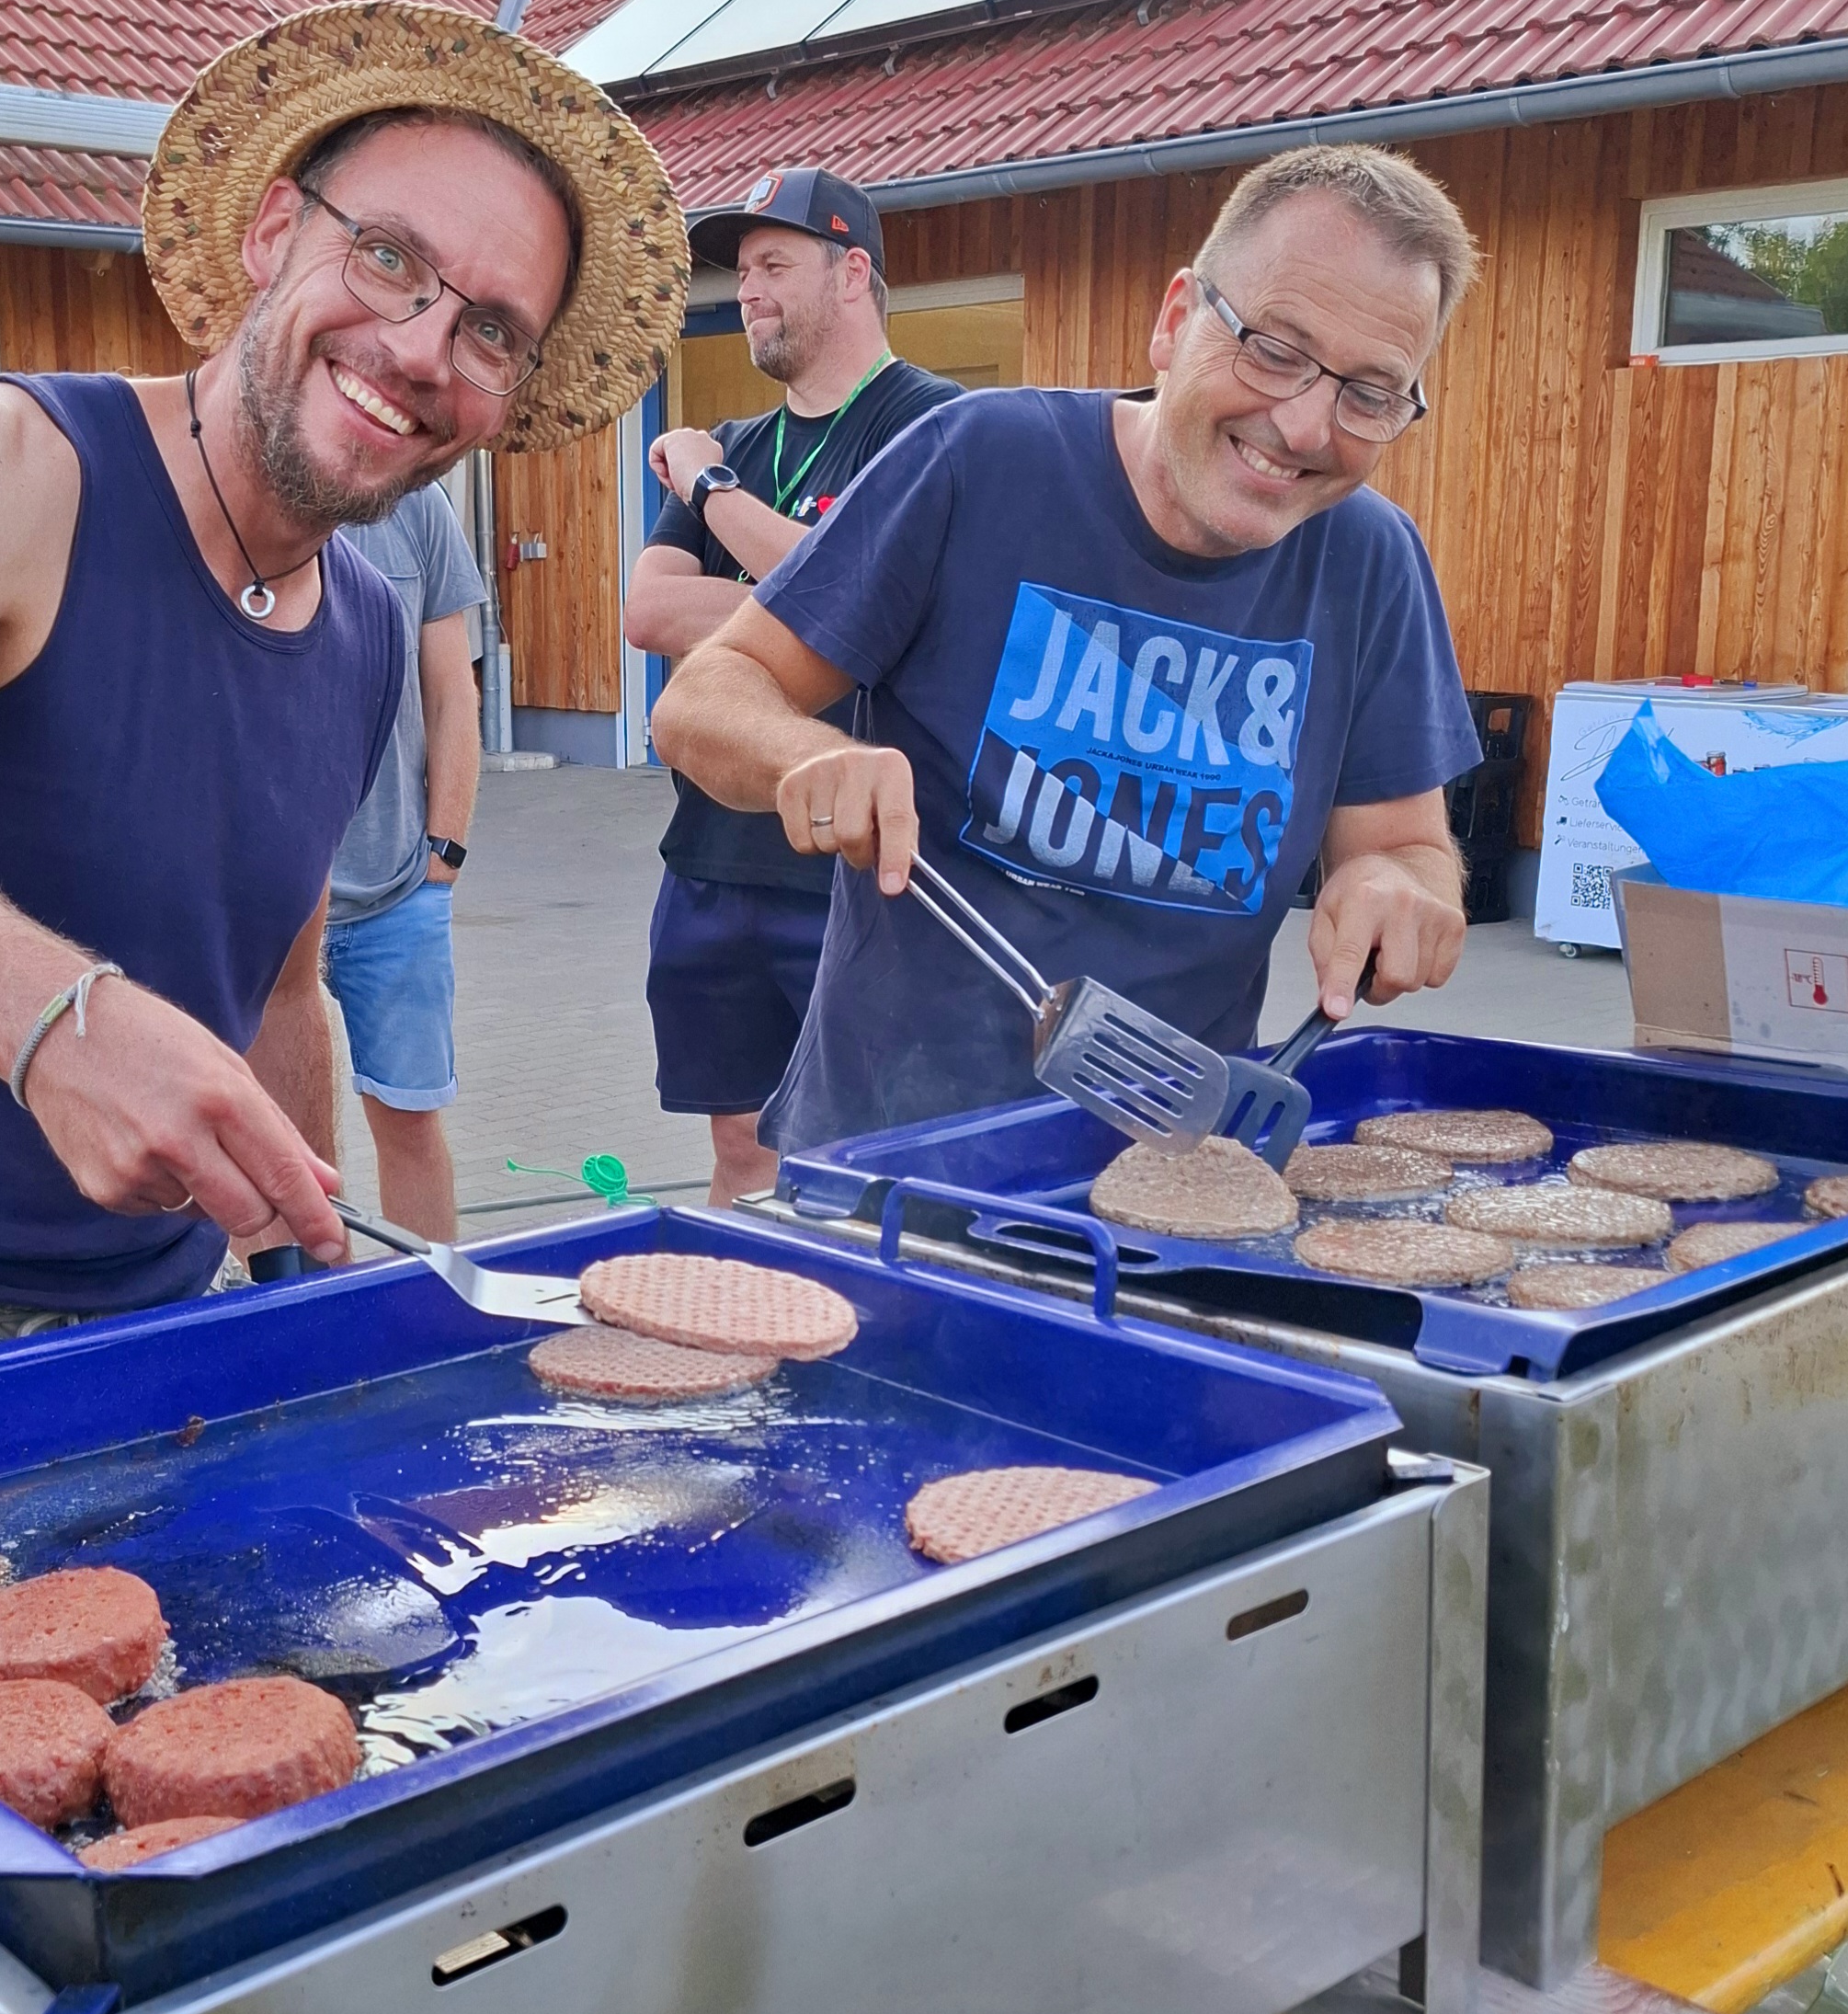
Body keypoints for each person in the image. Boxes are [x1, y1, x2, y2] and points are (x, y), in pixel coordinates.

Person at [0, 3, 687, 1409]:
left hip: (154, 1325)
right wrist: (59, 1023)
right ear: (274, 232)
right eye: (390, 257)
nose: (421, 348)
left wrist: (305, 1278)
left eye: (491, 329)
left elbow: (281, 991)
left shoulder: (368, 630)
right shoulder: (12, 465)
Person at [648, 143, 1485, 1153]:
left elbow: (1405, 844)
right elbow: (704, 699)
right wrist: (806, 754)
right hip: (890, 1151)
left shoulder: (1369, 561)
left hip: (1173, 1158)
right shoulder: (980, 461)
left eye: (1370, 393)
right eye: (1273, 348)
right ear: (1176, 320)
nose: (1306, 426)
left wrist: (1402, 889)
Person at [625, 167, 960, 1203]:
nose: (746, 292)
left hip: (855, 872)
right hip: (713, 857)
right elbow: (648, 611)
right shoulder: (740, 442)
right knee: (740, 1148)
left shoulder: (930, 429)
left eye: (773, 265)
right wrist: (821, 596)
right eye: (741, 272)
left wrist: (711, 494)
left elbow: (868, 595)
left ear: (852, 273)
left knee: (861, 1163)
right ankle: (740, 1302)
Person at [305, 476, 489, 1239]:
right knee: (279, 1139)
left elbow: (451, 691)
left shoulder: (418, 506)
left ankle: (431, 1299)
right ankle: (305, 1302)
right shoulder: (231, 489)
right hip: (267, 905)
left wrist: (443, 850)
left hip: (397, 893)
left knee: (409, 1125)